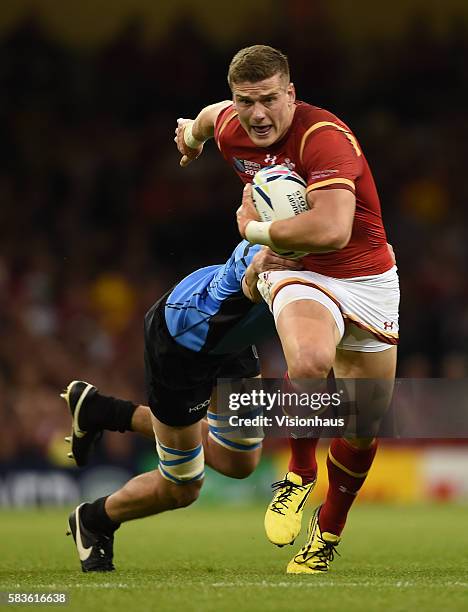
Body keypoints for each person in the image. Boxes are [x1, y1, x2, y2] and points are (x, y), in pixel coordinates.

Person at [174, 44, 399, 574]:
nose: (257, 114)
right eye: (245, 100)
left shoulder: (325, 138)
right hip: (298, 269)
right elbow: (208, 121)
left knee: (363, 423)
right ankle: (298, 472)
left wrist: (250, 231)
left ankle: (327, 534)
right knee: (309, 361)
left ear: (291, 94)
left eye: (269, 100)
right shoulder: (230, 122)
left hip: (366, 276)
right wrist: (190, 137)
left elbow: (332, 230)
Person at [64, 240, 302, 572]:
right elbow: (254, 268)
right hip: (183, 343)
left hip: (231, 339)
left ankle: (103, 411)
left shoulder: (332, 244)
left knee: (240, 462)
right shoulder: (275, 254)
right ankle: (95, 520)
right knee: (184, 487)